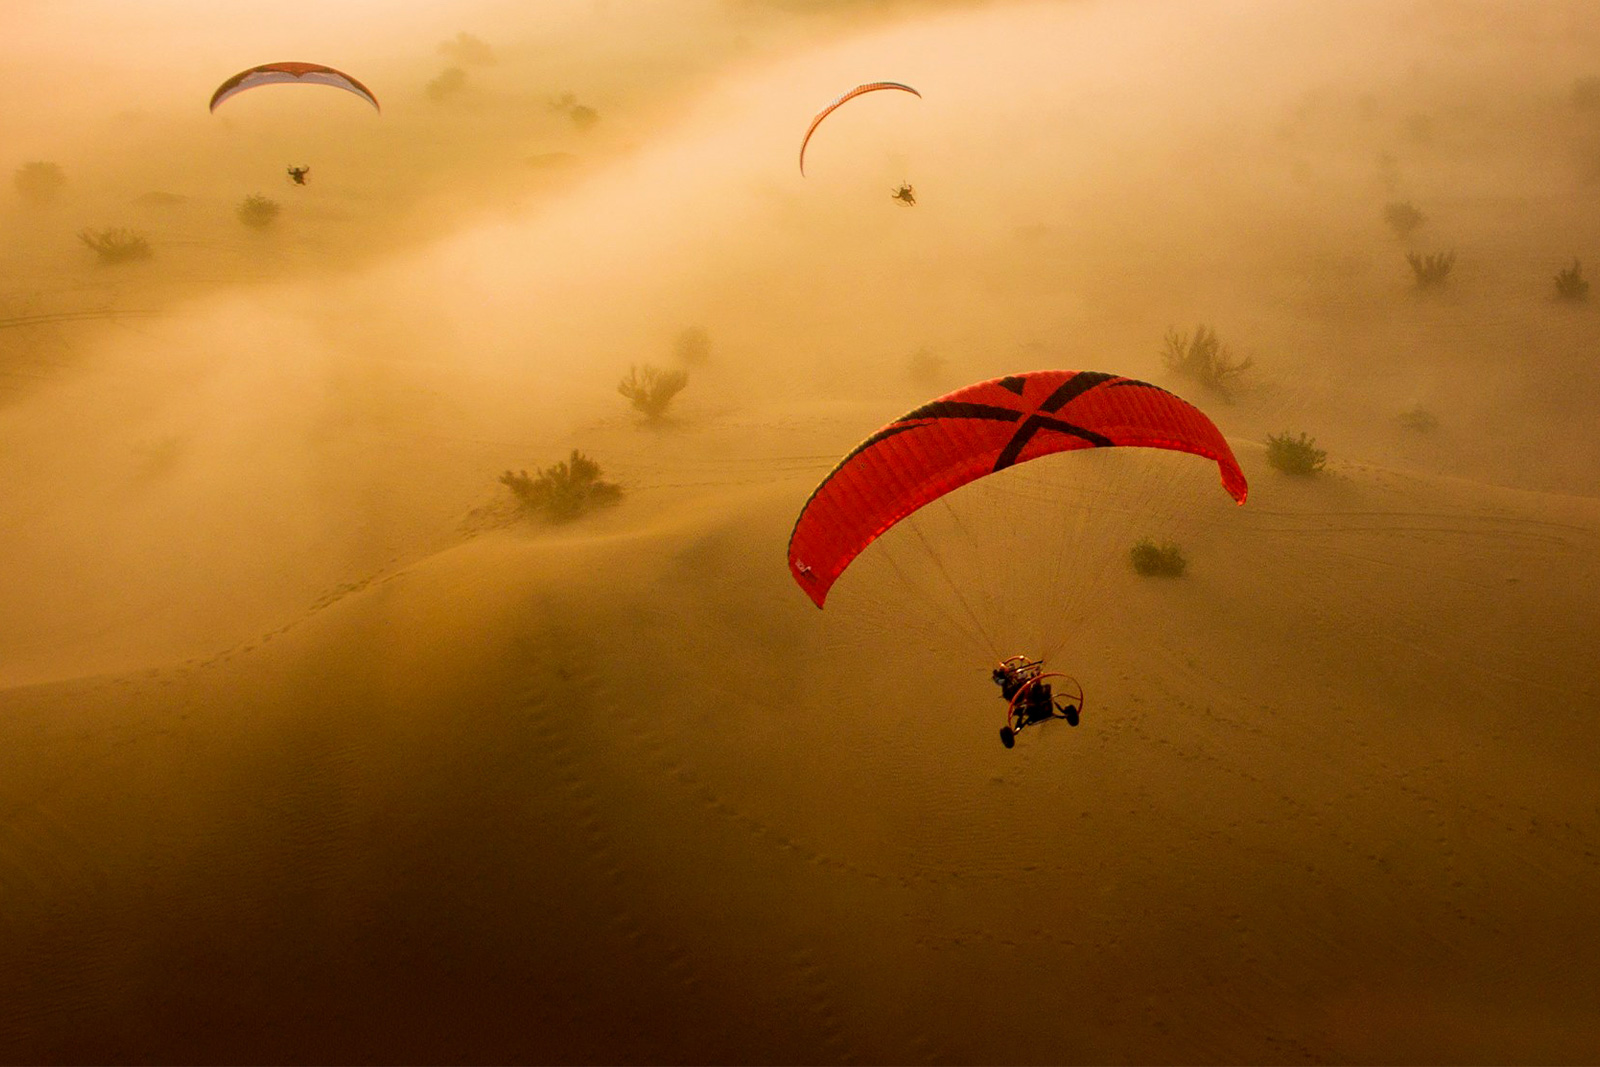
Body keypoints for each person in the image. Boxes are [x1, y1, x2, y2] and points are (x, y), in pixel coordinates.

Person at [994, 656, 1079, 747]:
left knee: (1035, 691)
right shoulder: (1011, 690)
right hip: (1032, 705)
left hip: (1036, 704)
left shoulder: (1030, 690)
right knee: (1030, 693)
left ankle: (1068, 713)